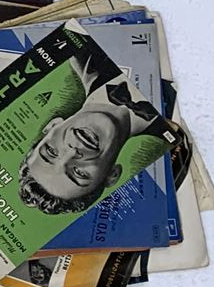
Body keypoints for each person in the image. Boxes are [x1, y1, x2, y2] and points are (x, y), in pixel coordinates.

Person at [17, 79, 150, 215]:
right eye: (79, 173)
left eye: (51, 151)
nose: (72, 151)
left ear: (52, 126)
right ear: (112, 175)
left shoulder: (83, 61)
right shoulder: (170, 127)